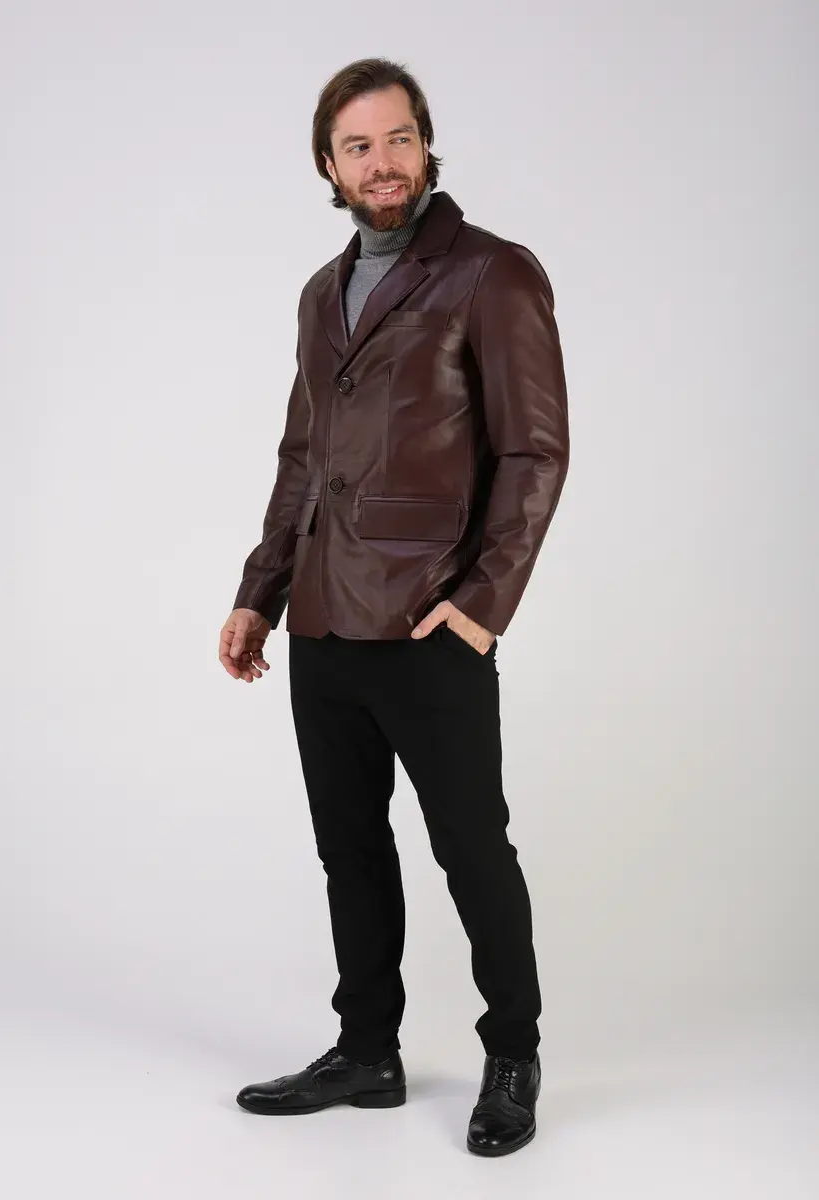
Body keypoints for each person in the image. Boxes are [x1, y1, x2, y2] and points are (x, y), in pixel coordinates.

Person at [219, 56, 570, 1157]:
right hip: (324, 619)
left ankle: (513, 1053)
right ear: (328, 166)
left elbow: (535, 450)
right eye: (358, 146)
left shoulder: (491, 273)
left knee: (472, 847)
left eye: (399, 139)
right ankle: (367, 1049)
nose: (382, 163)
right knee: (350, 850)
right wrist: (260, 594)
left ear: (427, 145)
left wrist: (482, 605)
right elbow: (301, 454)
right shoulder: (319, 295)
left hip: (431, 623)